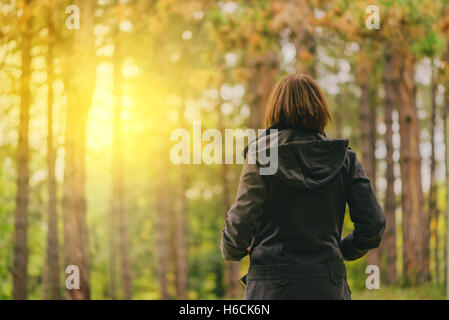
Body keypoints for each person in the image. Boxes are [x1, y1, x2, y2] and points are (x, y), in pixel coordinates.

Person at [220, 73, 386, 300]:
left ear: (276, 108)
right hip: (328, 286)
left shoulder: (262, 156)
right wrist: (343, 250)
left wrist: (233, 249)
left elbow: (240, 225)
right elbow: (373, 224)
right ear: (320, 108)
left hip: (270, 289)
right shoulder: (344, 158)